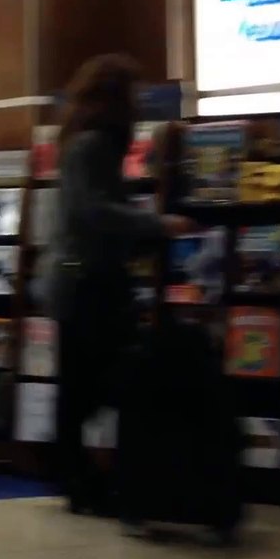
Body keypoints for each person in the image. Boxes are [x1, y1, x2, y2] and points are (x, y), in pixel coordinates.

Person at [45, 54, 196, 520]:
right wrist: (155, 224)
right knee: (95, 383)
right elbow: (93, 211)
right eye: (133, 93)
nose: (140, 103)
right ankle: (80, 476)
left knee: (84, 384)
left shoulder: (88, 143)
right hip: (87, 281)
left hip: (82, 279)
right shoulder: (93, 145)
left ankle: (80, 477)